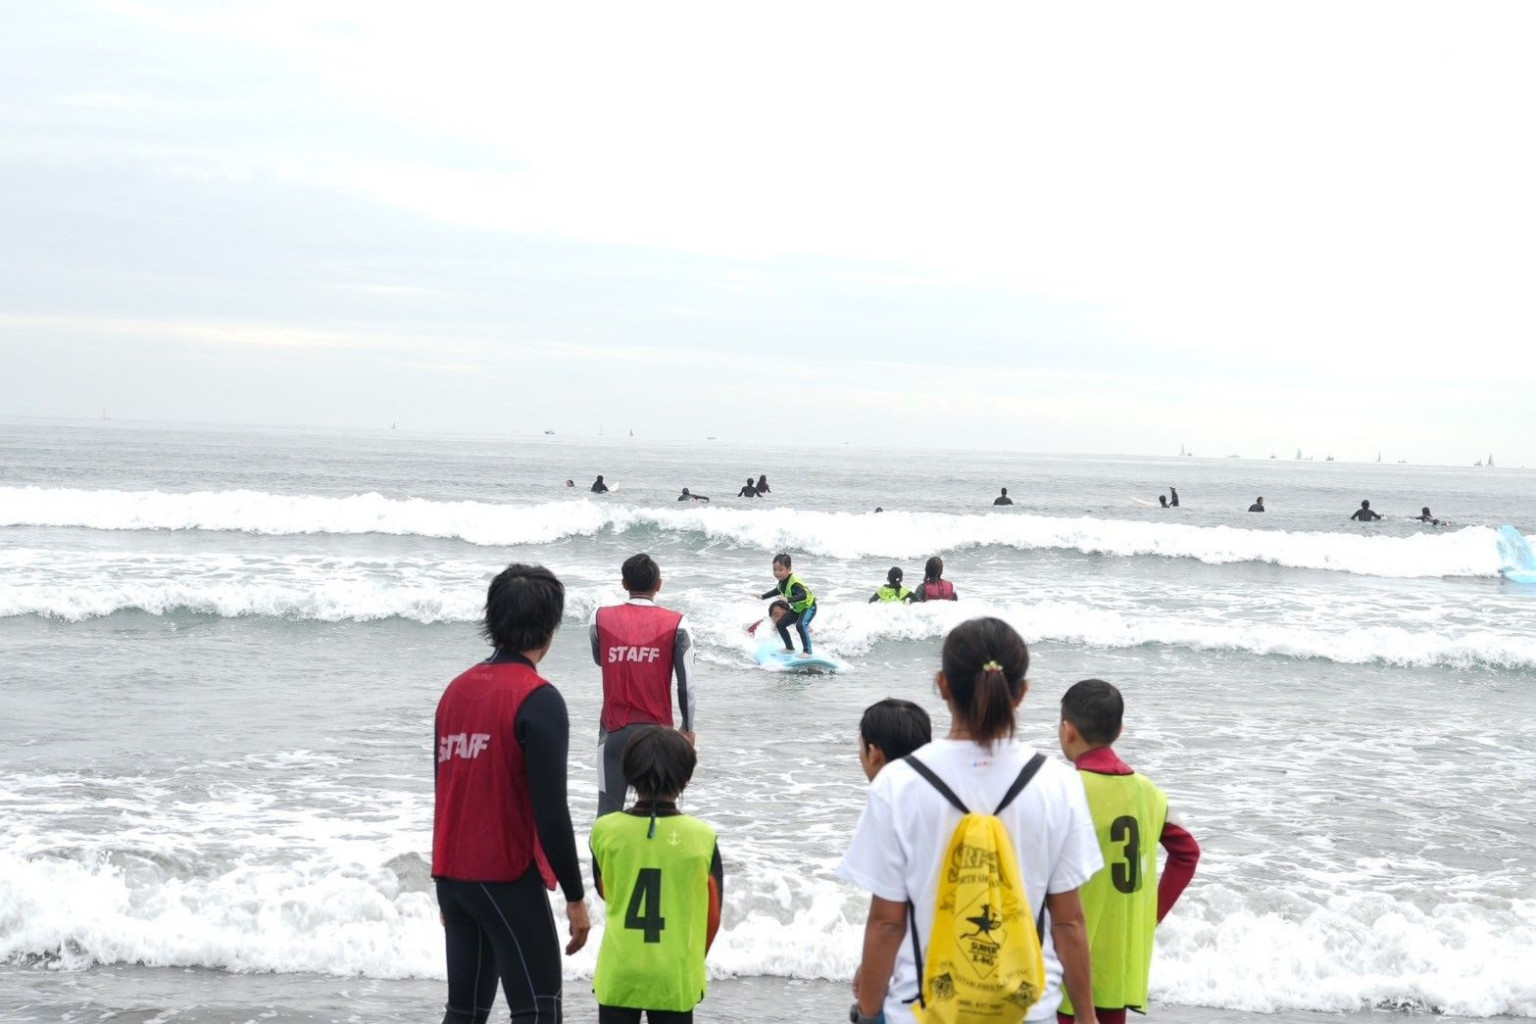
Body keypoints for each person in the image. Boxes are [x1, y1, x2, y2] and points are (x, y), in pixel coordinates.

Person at [839, 618, 1104, 1024]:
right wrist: (1087, 1019)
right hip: (1026, 1012)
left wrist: (869, 1013)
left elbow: (886, 923)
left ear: (942, 685)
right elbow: (1068, 922)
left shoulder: (899, 784)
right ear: (1022, 693)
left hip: (922, 1012)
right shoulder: (1059, 784)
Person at [433, 563, 590, 1024]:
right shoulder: (538, 698)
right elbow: (550, 810)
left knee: (464, 1013)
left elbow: (446, 792)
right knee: (539, 1011)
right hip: (505, 876)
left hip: (455, 876)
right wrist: (575, 898)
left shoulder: (455, 691)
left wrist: (444, 886)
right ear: (550, 627)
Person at [1057, 679, 1201, 1024]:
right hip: (1121, 958)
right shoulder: (1149, 793)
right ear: (1119, 730)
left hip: (1067, 961)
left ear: (1067, 730)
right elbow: (1187, 854)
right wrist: (1148, 916)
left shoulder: (1064, 790)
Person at [590, 726, 723, 1024]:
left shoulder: (605, 831)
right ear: (686, 778)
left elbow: (605, 889)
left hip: (619, 971)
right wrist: (692, 963)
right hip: (674, 974)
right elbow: (712, 916)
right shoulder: (702, 838)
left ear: (629, 773)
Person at [589, 554, 697, 818]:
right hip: (657, 736)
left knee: (607, 817)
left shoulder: (599, 617)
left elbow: (599, 659)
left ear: (624, 583)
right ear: (659, 585)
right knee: (658, 816)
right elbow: (687, 685)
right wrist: (687, 728)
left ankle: (601, 862)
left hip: (614, 731)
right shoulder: (677, 623)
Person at [857, 698, 932, 780]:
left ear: (873, 753)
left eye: (861, 746)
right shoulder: (937, 786)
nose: (859, 753)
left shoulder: (882, 791)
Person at [759, 553, 816, 655]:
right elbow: (776, 591)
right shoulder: (782, 582)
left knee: (800, 625)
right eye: (775, 570)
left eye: (780, 569)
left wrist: (787, 600)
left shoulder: (794, 583)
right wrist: (763, 596)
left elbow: (803, 595)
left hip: (809, 607)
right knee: (780, 624)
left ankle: (807, 651)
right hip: (798, 608)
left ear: (788, 569)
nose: (777, 572)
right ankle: (789, 648)